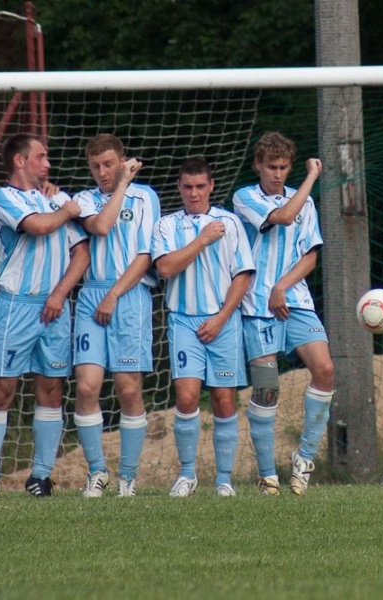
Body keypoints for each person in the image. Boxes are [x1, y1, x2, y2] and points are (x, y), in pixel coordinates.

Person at [0, 133, 89, 498]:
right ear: (20, 161)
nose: (48, 163)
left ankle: (41, 476)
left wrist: (60, 294)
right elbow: (39, 226)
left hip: (56, 306)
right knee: (1, 390)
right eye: (41, 156)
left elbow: (82, 254)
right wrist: (66, 210)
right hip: (17, 305)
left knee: (52, 387)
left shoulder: (57, 199)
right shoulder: (3, 198)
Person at [232, 132, 335, 496]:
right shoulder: (245, 197)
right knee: (266, 387)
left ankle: (304, 458)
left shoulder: (305, 201)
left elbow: (311, 255)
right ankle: (266, 475)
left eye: (284, 167)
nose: (278, 174)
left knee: (325, 369)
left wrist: (282, 285)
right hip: (256, 306)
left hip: (295, 301)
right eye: (271, 167)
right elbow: (284, 217)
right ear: (258, 165)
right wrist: (311, 177)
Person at [152, 156, 255, 497]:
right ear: (179, 188)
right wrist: (201, 240)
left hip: (222, 321)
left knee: (225, 401)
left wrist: (222, 317)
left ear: (211, 186)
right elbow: (165, 268)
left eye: (200, 187)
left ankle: (224, 479)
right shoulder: (167, 226)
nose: (194, 194)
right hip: (184, 320)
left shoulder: (230, 222)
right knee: (186, 397)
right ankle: (187, 475)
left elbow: (243, 275)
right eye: (187, 187)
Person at [71, 134, 161, 498]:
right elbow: (102, 226)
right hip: (92, 293)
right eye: (95, 166)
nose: (102, 172)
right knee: (87, 386)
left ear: (122, 160)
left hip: (130, 295)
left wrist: (115, 294)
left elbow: (145, 255)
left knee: (128, 388)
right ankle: (97, 473)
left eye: (109, 164)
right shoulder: (84, 200)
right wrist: (122, 182)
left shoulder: (146, 197)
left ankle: (128, 477)